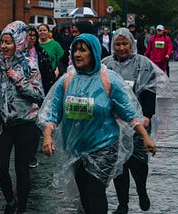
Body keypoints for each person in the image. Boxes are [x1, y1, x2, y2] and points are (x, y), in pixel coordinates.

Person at [36, 33, 157, 214]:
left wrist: (145, 137)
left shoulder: (108, 79)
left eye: (83, 50)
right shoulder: (67, 80)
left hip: (104, 146)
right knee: (84, 193)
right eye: (75, 50)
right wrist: (47, 137)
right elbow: (52, 113)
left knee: (95, 191)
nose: (77, 54)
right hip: (76, 148)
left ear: (93, 53)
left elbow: (129, 113)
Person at [102, 27, 174, 214]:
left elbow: (150, 90)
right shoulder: (106, 64)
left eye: (125, 43)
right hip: (114, 124)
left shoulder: (143, 63)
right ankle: (123, 204)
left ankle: (141, 190)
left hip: (138, 123)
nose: (121, 48)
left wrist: (147, 116)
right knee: (120, 165)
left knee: (139, 163)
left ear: (132, 44)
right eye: (117, 44)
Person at [0, 20, 43, 213]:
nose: (3, 46)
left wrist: (19, 81)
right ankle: (10, 199)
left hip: (24, 124)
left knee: (22, 170)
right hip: (1, 124)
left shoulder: (29, 65)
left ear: (19, 43)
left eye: (8, 42)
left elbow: (39, 95)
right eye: (2, 42)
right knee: (0, 168)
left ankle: (21, 208)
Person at [26, 26, 53, 168]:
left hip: (39, 94)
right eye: (29, 35)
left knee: (36, 125)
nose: (31, 38)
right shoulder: (18, 54)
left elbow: (48, 74)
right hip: (23, 96)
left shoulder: (41, 53)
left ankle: (31, 155)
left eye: (33, 35)